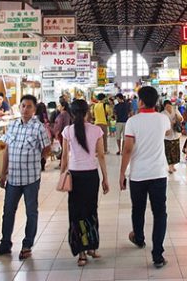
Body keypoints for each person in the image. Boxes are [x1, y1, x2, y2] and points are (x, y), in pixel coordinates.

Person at [0, 95, 51, 261]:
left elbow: (46, 149)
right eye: (23, 106)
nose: (25, 109)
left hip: (31, 177)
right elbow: (7, 150)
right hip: (13, 177)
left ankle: (27, 245)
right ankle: (5, 244)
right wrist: (3, 172)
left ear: (34, 109)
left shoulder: (38, 128)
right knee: (8, 211)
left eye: (29, 106)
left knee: (31, 212)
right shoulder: (13, 125)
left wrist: (38, 160)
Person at [120, 86, 170, 269]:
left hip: (138, 174)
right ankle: (157, 255)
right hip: (158, 173)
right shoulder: (163, 119)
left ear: (140, 101)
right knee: (159, 213)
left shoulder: (132, 122)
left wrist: (121, 173)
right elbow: (164, 133)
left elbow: (127, 149)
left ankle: (139, 239)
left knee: (138, 209)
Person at [60, 100, 109, 266]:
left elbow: (65, 157)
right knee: (91, 210)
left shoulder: (67, 131)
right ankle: (92, 247)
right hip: (91, 176)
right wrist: (105, 178)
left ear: (72, 114)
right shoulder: (96, 130)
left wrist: (62, 175)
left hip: (75, 176)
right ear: (88, 112)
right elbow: (101, 156)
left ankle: (81, 252)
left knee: (76, 213)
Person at [161, 100, 183, 174]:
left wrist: (177, 118)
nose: (168, 107)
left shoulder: (175, 110)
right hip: (167, 135)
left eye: (169, 105)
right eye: (167, 106)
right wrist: (170, 123)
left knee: (176, 151)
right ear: (164, 107)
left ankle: (173, 165)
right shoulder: (162, 113)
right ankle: (170, 167)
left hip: (176, 134)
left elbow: (181, 119)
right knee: (168, 151)